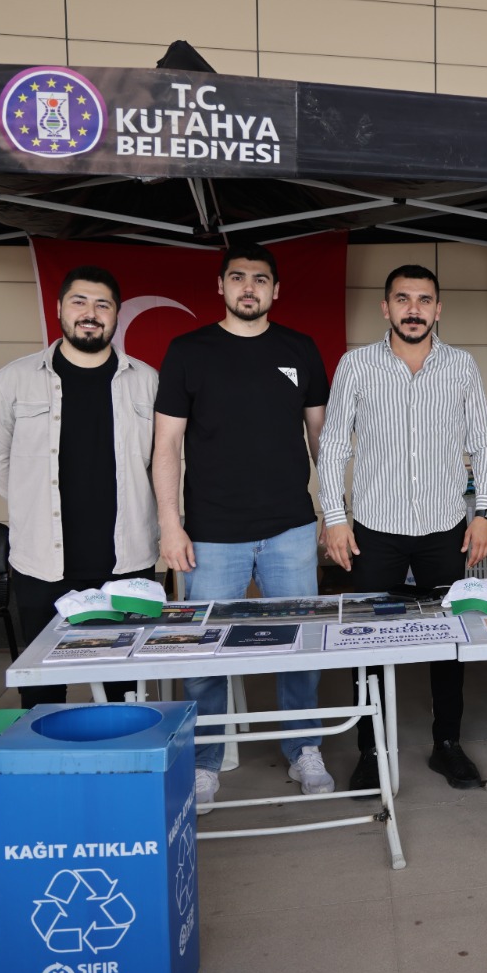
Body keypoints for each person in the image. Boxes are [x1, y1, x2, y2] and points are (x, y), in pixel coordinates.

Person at [153, 242, 333, 808]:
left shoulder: (300, 348)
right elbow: (166, 446)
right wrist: (171, 526)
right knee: (204, 652)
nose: (248, 287)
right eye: (237, 277)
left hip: (290, 528)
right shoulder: (187, 350)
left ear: (276, 289)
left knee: (300, 646)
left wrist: (334, 515)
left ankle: (304, 748)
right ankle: (205, 761)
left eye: (259, 279)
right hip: (211, 532)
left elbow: (322, 441)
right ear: (221, 286)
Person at [318, 264, 487, 791]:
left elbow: (483, 443)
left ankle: (447, 745)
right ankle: (370, 750)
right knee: (368, 643)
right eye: (403, 299)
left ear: (438, 309)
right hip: (376, 531)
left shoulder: (461, 366)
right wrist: (335, 518)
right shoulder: (356, 365)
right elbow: (333, 445)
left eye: (423, 300)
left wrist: (484, 512)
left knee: (450, 640)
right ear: (386, 308)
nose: (413, 309)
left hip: (446, 528)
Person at [0, 265, 157, 707]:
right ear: (59, 308)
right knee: (43, 686)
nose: (90, 313)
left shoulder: (147, 381)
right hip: (42, 559)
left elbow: (166, 462)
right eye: (79, 301)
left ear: (115, 315)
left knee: (124, 683)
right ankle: (45, 748)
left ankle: (124, 746)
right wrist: (32, 502)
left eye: (102, 305)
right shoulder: (15, 379)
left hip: (126, 558)